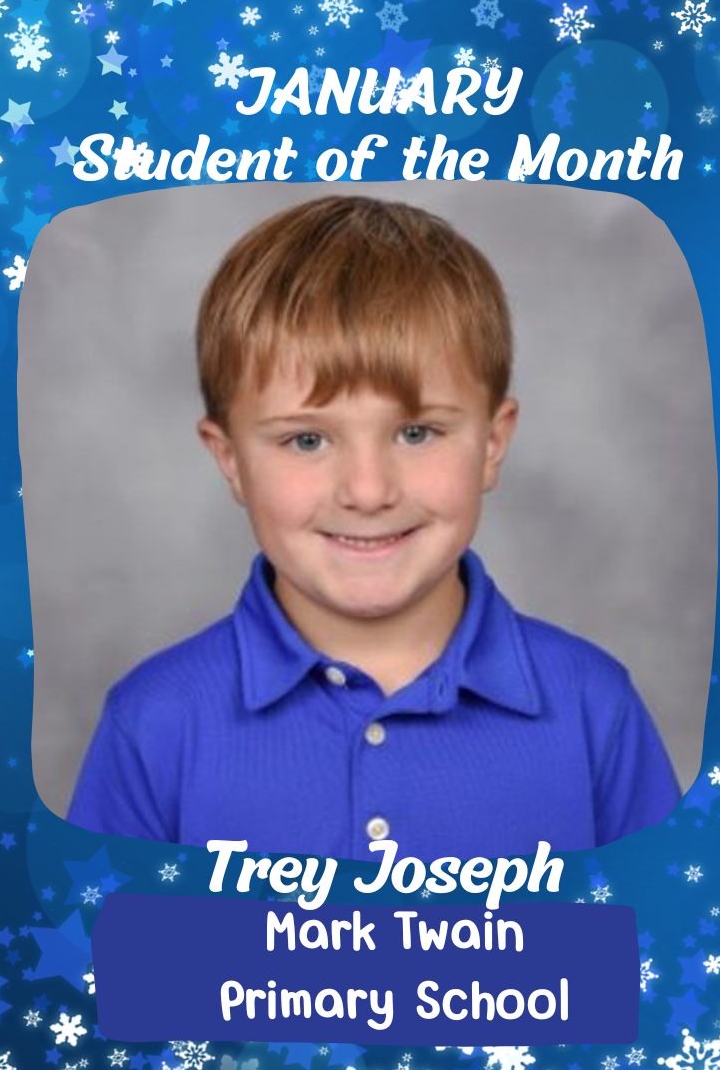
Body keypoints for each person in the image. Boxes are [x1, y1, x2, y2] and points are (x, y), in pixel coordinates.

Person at [66, 195, 680, 860]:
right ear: (231, 460)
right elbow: (104, 958)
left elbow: (664, 954)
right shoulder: (154, 723)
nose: (368, 491)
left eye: (417, 432)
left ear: (493, 446)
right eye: (306, 441)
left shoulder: (593, 708)